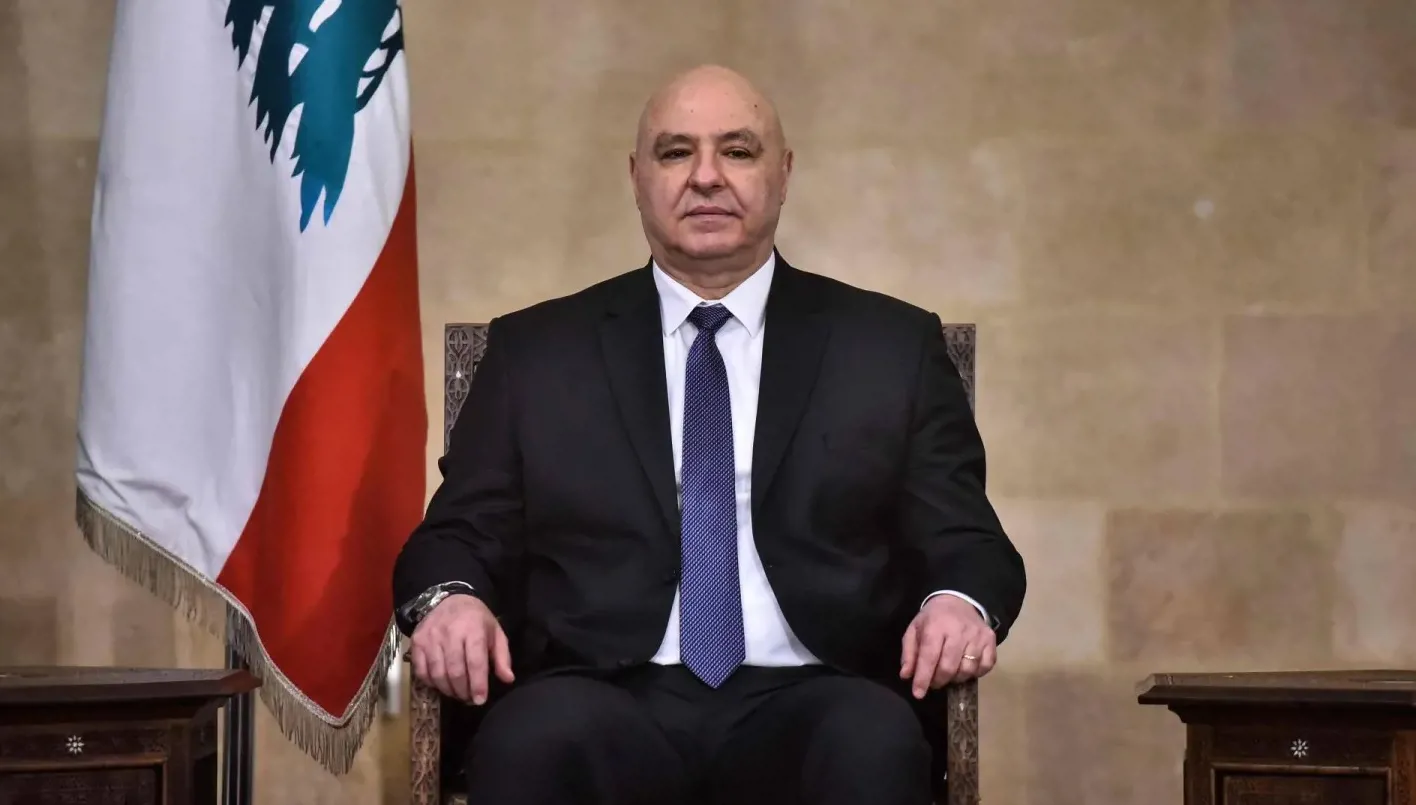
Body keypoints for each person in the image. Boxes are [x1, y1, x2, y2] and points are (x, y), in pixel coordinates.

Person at [392, 64, 1026, 805]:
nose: (705, 177)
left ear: (784, 173)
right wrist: (451, 600)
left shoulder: (889, 348)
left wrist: (956, 601)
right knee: (530, 740)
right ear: (636, 177)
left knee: (873, 742)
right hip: (596, 693)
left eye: (738, 150)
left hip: (818, 694)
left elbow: (967, 540)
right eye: (675, 152)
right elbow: (459, 532)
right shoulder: (537, 351)